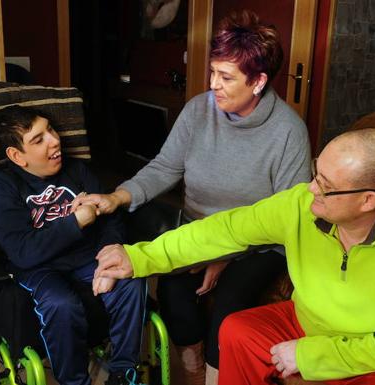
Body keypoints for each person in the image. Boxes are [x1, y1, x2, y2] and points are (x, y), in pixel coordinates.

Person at [93, 128, 375, 385]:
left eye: (325, 185)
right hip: (310, 321)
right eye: (315, 172)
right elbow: (223, 231)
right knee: (236, 330)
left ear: (368, 200)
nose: (311, 188)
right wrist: (140, 257)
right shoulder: (301, 206)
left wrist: (310, 356)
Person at [80, 10, 311, 384]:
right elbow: (165, 168)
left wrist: (223, 255)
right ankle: (193, 369)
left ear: (259, 82)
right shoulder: (198, 111)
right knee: (173, 289)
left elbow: (287, 218)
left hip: (259, 244)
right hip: (197, 229)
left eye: (226, 77)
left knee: (229, 309)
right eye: (213, 72)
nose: (213, 84)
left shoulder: (288, 132)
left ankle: (217, 376)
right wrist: (118, 197)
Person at [0, 105, 145, 385]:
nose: (54, 140)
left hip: (87, 256)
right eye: (38, 139)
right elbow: (23, 252)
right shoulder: (1, 188)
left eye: (51, 130)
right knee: (61, 304)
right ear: (17, 155)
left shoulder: (77, 170)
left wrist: (109, 256)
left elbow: (112, 221)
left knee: (130, 281)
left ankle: (123, 373)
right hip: (39, 268)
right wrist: (75, 222)